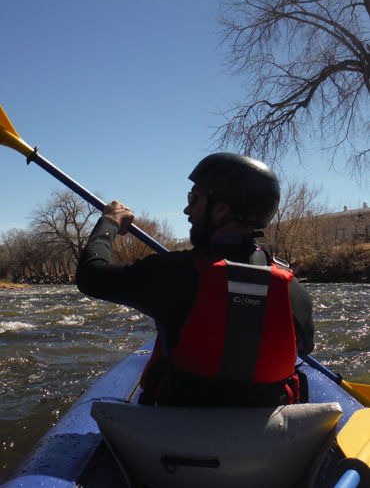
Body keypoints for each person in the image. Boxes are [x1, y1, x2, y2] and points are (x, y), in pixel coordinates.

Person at [76, 153, 314, 407]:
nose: (187, 210)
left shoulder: (174, 273)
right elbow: (303, 350)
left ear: (222, 207)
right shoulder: (293, 290)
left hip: (176, 430)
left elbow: (92, 274)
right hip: (268, 439)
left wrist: (109, 221)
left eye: (194, 198)